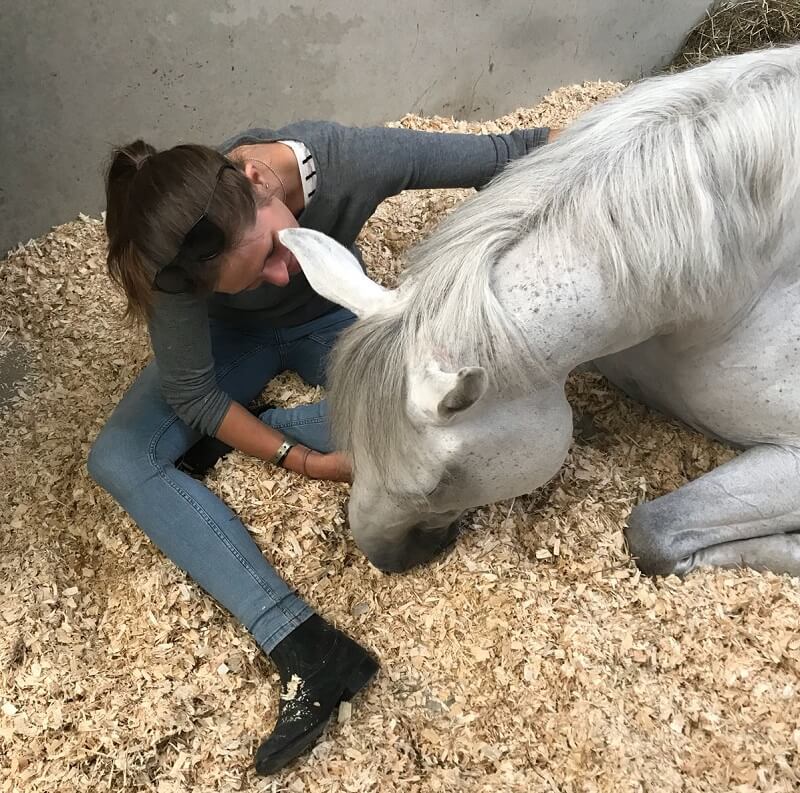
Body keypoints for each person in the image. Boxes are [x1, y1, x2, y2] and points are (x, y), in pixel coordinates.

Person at [88, 119, 557, 774]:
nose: (280, 275)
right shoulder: (176, 253)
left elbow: (511, 152)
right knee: (116, 457)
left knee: (443, 410)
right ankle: (306, 648)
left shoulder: (352, 161)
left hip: (332, 326)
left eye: (278, 248)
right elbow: (193, 393)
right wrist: (300, 459)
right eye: (252, 275)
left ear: (258, 180)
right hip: (235, 348)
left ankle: (240, 434)